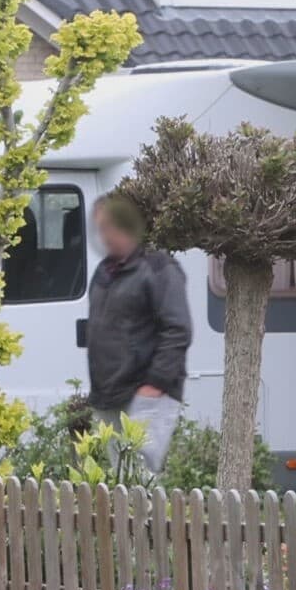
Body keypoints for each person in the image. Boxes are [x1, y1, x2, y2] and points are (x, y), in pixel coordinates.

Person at [84, 194, 191, 474]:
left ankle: (152, 520)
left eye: (107, 227)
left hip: (145, 394)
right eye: (99, 229)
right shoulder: (104, 271)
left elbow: (178, 330)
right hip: (109, 393)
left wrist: (154, 384)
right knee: (121, 480)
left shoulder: (158, 269)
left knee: (140, 478)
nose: (103, 236)